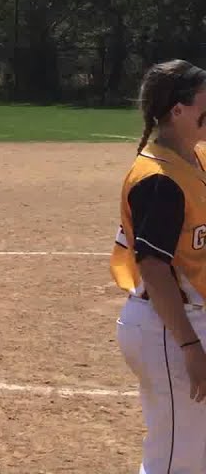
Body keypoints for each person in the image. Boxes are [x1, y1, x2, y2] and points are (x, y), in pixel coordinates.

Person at [112, 59, 206, 473]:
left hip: (189, 317)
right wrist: (190, 347)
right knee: (176, 460)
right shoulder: (159, 179)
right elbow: (153, 268)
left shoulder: (196, 158)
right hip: (167, 328)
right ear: (177, 110)